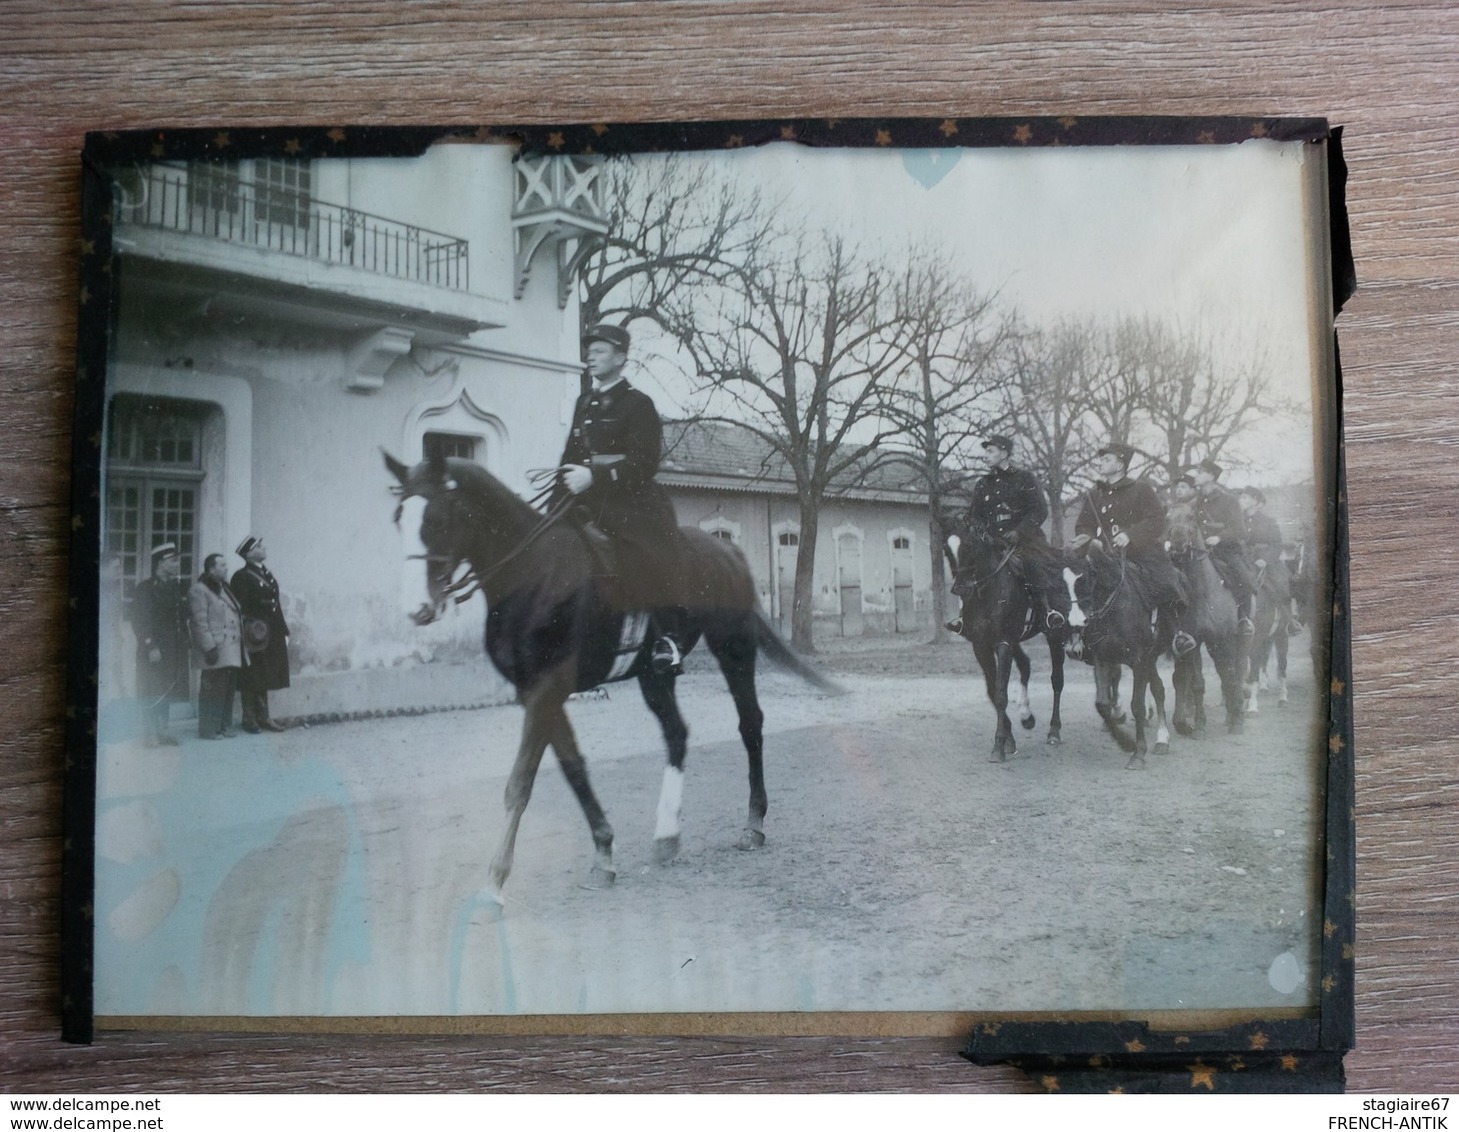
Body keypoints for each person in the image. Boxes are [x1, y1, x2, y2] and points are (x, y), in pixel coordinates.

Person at [554, 323, 687, 676]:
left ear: (620, 358)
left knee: (643, 553)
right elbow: (570, 454)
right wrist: (557, 496)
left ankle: (667, 639)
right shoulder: (585, 403)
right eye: (590, 351)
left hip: (630, 502)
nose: (590, 357)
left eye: (599, 351)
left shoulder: (638, 404)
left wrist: (594, 477)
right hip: (584, 498)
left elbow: (644, 463)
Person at [1072, 442, 1195, 655]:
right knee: (1078, 578)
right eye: (1101, 459)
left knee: (1166, 580)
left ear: (1121, 464)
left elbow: (1156, 520)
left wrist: (1130, 535)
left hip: (1142, 552)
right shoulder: (1094, 495)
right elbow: (1083, 524)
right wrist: (1091, 539)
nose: (1101, 463)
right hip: (1105, 553)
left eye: (1107, 459)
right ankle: (1081, 637)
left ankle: (1177, 634)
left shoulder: (1141, 489)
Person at [944, 434, 1070, 635]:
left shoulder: (1025, 478)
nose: (986, 455)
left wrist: (1020, 531)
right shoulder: (983, 484)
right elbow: (974, 516)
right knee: (967, 563)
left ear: (1004, 454)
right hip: (993, 543)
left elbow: (1039, 511)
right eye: (985, 451)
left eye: (990, 451)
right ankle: (964, 616)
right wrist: (985, 536)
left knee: (1032, 563)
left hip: (1024, 541)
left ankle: (1048, 612)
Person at [129, 543, 189, 746]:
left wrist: (186, 642)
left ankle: (163, 730)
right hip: (155, 649)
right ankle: (150, 733)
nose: (177, 564)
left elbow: (181, 617)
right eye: (173, 561)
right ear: (161, 563)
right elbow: (141, 620)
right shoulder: (145, 588)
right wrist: (150, 646)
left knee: (168, 689)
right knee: (151, 690)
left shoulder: (175, 586)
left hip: (174, 648)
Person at [230, 535, 290, 732]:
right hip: (254, 632)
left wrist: (283, 630)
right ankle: (249, 718)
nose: (264, 548)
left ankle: (263, 717)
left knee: (265, 672)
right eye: (259, 546)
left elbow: (275, 603)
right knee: (252, 674)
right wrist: (248, 633)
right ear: (249, 554)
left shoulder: (266, 573)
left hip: (270, 630)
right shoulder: (241, 576)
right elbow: (240, 609)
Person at [1190, 459, 1256, 635]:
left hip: (1226, 551)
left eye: (1200, 472)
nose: (1195, 476)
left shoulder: (1229, 501)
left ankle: (1243, 619)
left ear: (1211, 476)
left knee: (1245, 580)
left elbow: (1240, 530)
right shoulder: (1194, 502)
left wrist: (1219, 537)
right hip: (1199, 552)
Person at [188, 553, 245, 740]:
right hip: (215, 647)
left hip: (231, 647)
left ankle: (224, 725)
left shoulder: (224, 588)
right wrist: (209, 647)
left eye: (225, 564)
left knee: (227, 689)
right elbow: (199, 622)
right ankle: (208, 729)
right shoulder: (200, 590)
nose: (226, 568)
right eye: (221, 565)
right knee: (212, 690)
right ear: (211, 569)